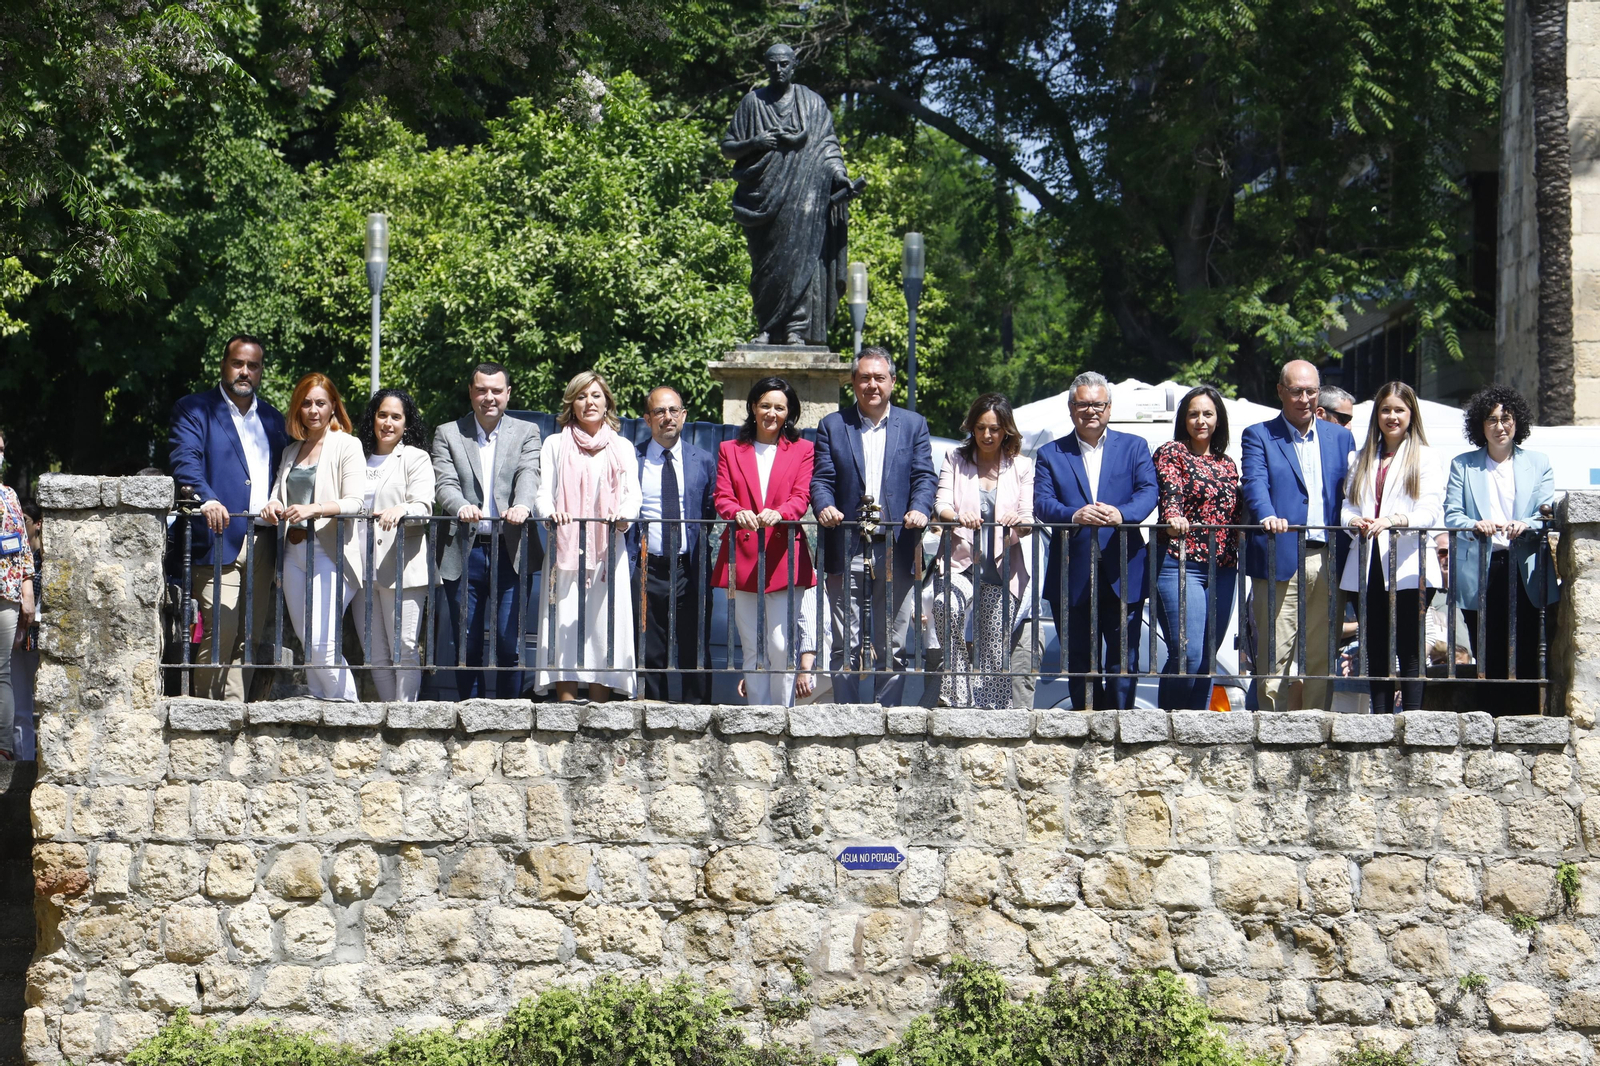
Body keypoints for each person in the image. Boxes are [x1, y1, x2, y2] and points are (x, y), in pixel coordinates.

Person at [811, 346, 937, 705]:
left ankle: (887, 718)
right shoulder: (833, 425)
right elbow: (821, 479)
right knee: (844, 644)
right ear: (853, 382)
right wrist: (824, 506)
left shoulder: (913, 425)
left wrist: (920, 509)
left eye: (879, 377)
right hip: (847, 545)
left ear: (892, 382)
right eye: (864, 377)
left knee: (892, 644)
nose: (872, 385)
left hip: (897, 545)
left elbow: (924, 477)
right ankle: (845, 718)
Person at [167, 334, 289, 700]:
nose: (245, 372)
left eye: (253, 366)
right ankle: (208, 716)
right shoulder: (195, 409)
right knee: (221, 630)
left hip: (263, 541)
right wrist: (206, 498)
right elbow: (185, 461)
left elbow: (285, 472)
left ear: (261, 371)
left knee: (248, 637)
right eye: (238, 363)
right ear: (224, 365)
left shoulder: (273, 419)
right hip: (217, 536)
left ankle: (232, 715)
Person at [721, 43, 863, 345]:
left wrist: (840, 176)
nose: (778, 69)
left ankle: (796, 329)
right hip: (763, 200)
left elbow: (828, 147)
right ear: (766, 66)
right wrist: (755, 142)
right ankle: (766, 327)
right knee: (766, 267)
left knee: (803, 261)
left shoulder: (813, 104)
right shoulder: (752, 103)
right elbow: (728, 147)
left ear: (794, 65)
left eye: (784, 64)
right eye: (772, 64)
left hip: (805, 200)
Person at [1034, 372, 1158, 709]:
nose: (1091, 411)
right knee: (1079, 659)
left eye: (1098, 405)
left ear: (1109, 408)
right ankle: (1086, 724)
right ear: (1071, 408)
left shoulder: (1134, 447)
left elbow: (1149, 492)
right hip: (1071, 571)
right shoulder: (1050, 453)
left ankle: (1119, 725)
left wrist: (1122, 514)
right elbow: (1042, 503)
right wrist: (1074, 515)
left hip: (1123, 567)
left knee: (1124, 658)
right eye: (1083, 404)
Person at [1240, 359, 1354, 711]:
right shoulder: (1259, 434)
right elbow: (1255, 483)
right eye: (1296, 391)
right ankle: (1271, 730)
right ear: (1280, 391)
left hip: (1329, 556)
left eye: (1311, 391)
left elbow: (1352, 492)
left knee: (1322, 655)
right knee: (1275, 655)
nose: (1305, 399)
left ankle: (1318, 726)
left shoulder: (1341, 437)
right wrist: (1267, 515)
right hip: (1280, 552)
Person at [1443, 383, 1559, 715]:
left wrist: (1526, 523)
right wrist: (1474, 524)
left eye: (1506, 418)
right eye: (1492, 419)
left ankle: (1527, 722)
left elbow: (1546, 513)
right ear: (1480, 425)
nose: (1500, 426)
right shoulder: (1463, 464)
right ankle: (1490, 722)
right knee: (1487, 648)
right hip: (1482, 565)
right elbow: (1452, 514)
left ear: (1517, 422)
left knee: (1528, 646)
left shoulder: (1538, 463)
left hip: (1525, 565)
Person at [433, 362, 543, 699]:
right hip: (465, 551)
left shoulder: (527, 432)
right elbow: (444, 483)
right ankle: (471, 713)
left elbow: (529, 473)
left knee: (509, 644)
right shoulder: (448, 433)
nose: (489, 397)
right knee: (466, 645)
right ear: (471, 392)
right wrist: (459, 506)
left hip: (511, 549)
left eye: (496, 390)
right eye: (482, 390)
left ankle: (511, 715)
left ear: (508, 393)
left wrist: (522, 505)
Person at [534, 371, 641, 700]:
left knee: (603, 624)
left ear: (607, 401)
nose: (589, 402)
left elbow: (632, 496)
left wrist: (623, 516)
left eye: (595, 395)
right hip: (566, 548)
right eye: (581, 396)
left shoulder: (622, 447)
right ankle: (565, 705)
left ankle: (599, 705)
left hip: (608, 551)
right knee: (563, 623)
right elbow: (543, 494)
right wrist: (551, 514)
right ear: (572, 403)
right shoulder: (555, 444)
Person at [1339, 381, 1444, 712]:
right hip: (1367, 561)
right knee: (1376, 647)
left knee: (1410, 647)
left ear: (1411, 414)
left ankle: (1412, 721)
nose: (1392, 416)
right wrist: (1353, 521)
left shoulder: (1426, 457)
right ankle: (1380, 722)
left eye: (1399, 410)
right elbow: (1347, 506)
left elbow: (1430, 510)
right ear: (1377, 415)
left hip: (1409, 562)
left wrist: (1395, 519)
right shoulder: (1359, 458)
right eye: (1385, 410)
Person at [713, 377, 818, 705]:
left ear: (789, 413)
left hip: (784, 553)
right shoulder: (730, 449)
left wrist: (782, 513)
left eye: (780, 408)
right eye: (765, 406)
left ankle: (782, 715)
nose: (772, 413)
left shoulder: (803, 450)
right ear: (753, 408)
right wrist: (737, 511)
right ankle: (757, 716)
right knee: (752, 645)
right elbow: (722, 496)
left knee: (780, 644)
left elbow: (801, 496)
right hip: (741, 555)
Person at [261, 374, 365, 702]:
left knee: (322, 643)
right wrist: (273, 504)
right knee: (308, 641)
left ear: (334, 405)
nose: (313, 410)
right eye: (306, 403)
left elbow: (355, 502)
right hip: (292, 552)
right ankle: (324, 705)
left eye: (320, 403)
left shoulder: (347, 445)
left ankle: (348, 709)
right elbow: (278, 493)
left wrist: (314, 509)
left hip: (329, 550)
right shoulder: (292, 450)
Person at [930, 394, 1037, 709]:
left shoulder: (1021, 466)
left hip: (1004, 568)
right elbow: (941, 504)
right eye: (980, 428)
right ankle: (957, 691)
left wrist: (1019, 522)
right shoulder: (955, 458)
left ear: (1006, 430)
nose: (987, 435)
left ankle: (993, 713)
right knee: (945, 607)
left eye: (994, 429)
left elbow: (1028, 518)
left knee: (993, 646)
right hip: (961, 561)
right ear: (971, 428)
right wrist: (956, 516)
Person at [1152, 385, 1241, 710]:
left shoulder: (1227, 464)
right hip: (1180, 562)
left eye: (1207, 414)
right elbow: (1170, 493)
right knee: (1187, 653)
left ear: (1218, 419)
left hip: (1223, 567)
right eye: (1193, 414)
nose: (1200, 420)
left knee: (1207, 658)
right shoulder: (1172, 452)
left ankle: (1195, 729)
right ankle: (1167, 726)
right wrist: (1173, 517)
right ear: (1183, 419)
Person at [628, 386, 717, 702]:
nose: (667, 417)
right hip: (646, 568)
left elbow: (708, 511)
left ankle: (699, 720)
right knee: (649, 651)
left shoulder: (703, 460)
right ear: (647, 419)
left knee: (695, 650)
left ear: (684, 415)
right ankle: (653, 717)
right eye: (659, 411)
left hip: (689, 568)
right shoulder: (632, 459)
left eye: (673, 410)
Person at [348, 389, 435, 702]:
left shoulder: (415, 458)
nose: (388, 423)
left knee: (405, 648)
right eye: (382, 415)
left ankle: (404, 718)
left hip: (400, 567)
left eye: (396, 417)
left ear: (406, 423)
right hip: (357, 568)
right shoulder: (355, 456)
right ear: (372, 418)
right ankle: (389, 715)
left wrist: (402, 509)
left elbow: (424, 506)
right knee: (374, 652)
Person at [0, 433, 34, 759]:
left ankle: (3, 750)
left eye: (0, 449)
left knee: (2, 673)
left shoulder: (9, 495)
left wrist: (27, 589)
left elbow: (22, 548)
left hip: (6, 595)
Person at [11, 498, 40, 758]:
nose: (20, 525)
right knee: (21, 709)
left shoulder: (47, 559)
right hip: (18, 642)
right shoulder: (13, 558)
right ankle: (23, 762)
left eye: (25, 521)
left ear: (37, 524)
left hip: (40, 641)